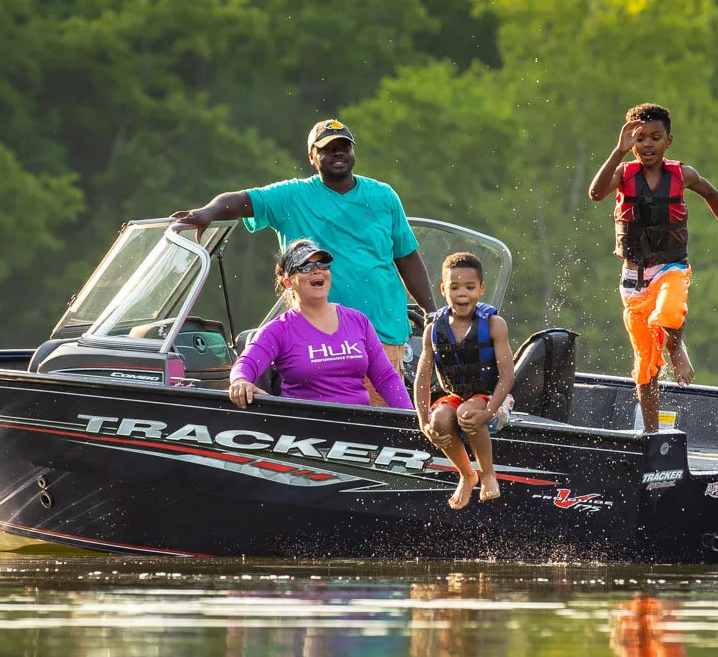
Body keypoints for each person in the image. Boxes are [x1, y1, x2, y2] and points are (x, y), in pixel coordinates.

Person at [173, 120, 436, 405]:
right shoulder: (291, 196)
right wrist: (208, 212)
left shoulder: (383, 196)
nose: (338, 153)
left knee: (382, 418)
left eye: (344, 147)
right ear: (312, 157)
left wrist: (432, 312)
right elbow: (240, 200)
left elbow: (407, 257)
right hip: (314, 337)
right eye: (328, 149)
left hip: (381, 330)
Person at [587, 103, 718, 432]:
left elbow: (712, 194)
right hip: (634, 279)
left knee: (670, 309)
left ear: (669, 140)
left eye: (655, 137)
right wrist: (617, 152)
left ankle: (677, 349)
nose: (647, 144)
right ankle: (651, 433)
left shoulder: (683, 174)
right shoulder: (624, 174)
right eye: (639, 138)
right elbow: (595, 193)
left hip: (671, 268)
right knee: (645, 366)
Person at [228, 239, 412, 409]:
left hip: (358, 425)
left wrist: (412, 419)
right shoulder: (277, 330)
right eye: (305, 266)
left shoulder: (358, 321)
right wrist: (240, 381)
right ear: (288, 282)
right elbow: (246, 363)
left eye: (322, 264)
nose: (317, 270)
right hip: (305, 431)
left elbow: (386, 378)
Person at [412, 252, 513, 510]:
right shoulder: (433, 330)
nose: (462, 294)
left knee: (468, 414)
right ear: (444, 289)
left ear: (481, 289)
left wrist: (489, 411)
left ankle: (488, 473)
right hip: (457, 396)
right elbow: (423, 378)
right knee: (440, 420)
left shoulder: (494, 325)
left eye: (469, 287)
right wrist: (424, 422)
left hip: (492, 398)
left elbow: (507, 375)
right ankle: (467, 474)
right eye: (454, 287)